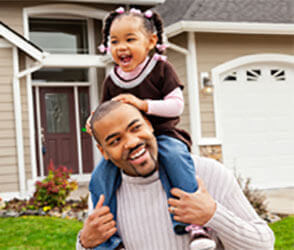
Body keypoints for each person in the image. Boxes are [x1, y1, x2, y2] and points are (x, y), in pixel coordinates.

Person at [86, 7, 210, 249]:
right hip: (126, 144)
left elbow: (176, 106)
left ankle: (194, 225)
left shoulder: (161, 69)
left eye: (130, 39)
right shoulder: (112, 79)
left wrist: (143, 105)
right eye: (114, 41)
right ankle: (109, 241)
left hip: (162, 135)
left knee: (175, 157)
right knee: (99, 176)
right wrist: (92, 123)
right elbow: (105, 111)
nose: (121, 47)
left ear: (151, 41)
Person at [77, 101, 275, 250]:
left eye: (135, 128)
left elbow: (264, 244)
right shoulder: (104, 194)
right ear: (103, 152)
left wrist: (213, 214)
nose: (131, 142)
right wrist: (84, 243)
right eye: (115, 140)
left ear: (148, 124)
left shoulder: (208, 173)